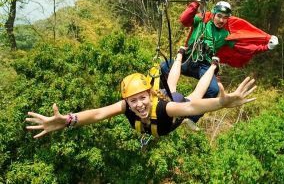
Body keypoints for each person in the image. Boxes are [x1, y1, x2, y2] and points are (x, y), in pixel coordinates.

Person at [26, 49, 257, 139]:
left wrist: (221, 103)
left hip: (172, 109)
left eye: (142, 98)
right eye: (133, 100)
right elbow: (97, 114)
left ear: (150, 94)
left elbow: (191, 108)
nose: (138, 105)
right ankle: (179, 55)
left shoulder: (164, 108)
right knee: (172, 84)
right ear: (126, 100)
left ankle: (214, 66)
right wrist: (67, 120)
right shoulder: (127, 106)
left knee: (193, 94)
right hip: (164, 103)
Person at [161, 0, 278, 128]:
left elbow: (244, 48)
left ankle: (191, 117)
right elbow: (184, 19)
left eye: (225, 18)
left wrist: (265, 47)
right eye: (219, 16)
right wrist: (197, 3)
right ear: (214, 14)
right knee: (164, 67)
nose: (221, 20)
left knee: (213, 89)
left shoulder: (225, 35)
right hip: (189, 60)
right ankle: (163, 99)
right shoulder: (201, 20)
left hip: (204, 66)